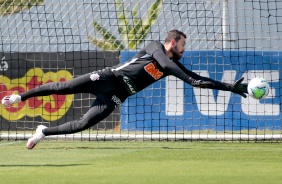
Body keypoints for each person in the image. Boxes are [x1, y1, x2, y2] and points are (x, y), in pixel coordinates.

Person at [1, 30, 248, 149]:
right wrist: (186, 77)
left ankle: (43, 131)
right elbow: (166, 66)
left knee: (83, 124)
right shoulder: (156, 49)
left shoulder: (172, 64)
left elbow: (197, 78)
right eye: (183, 44)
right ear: (172, 42)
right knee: (62, 87)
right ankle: (18, 97)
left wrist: (230, 87)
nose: (184, 49)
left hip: (118, 95)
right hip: (106, 79)